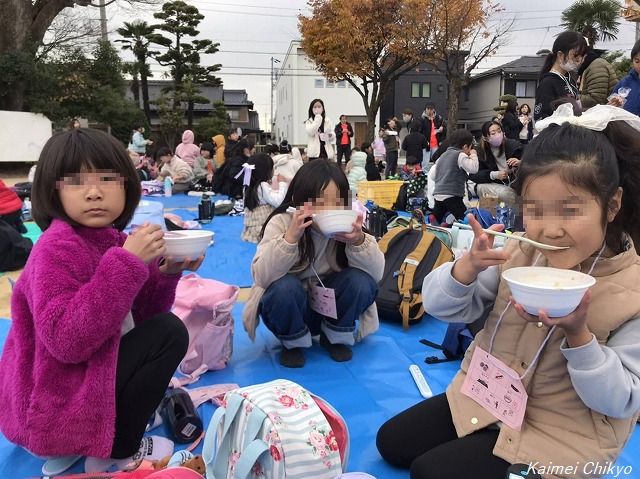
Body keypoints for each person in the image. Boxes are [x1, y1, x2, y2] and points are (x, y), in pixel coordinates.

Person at [377, 104, 640, 478]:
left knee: (429, 472)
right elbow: (439, 306)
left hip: (560, 436)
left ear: (611, 205)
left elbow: (623, 399)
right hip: (484, 395)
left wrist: (579, 336)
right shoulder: (518, 254)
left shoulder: (632, 291)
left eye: (569, 211)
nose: (550, 230)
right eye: (535, 210)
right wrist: (465, 269)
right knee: (391, 442)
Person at [0, 128, 203, 475]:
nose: (94, 192)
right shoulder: (54, 248)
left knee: (162, 330)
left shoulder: (113, 240)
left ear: (127, 186)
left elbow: (144, 317)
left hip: (80, 388)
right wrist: (127, 264)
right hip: (55, 405)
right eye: (77, 181)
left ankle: (93, 444)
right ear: (54, 189)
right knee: (170, 333)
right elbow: (67, 341)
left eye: (108, 179)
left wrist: (167, 273)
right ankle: (118, 450)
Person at [242, 160, 384, 368]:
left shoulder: (350, 225)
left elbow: (376, 275)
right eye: (319, 201)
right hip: (290, 311)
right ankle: (292, 343)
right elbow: (261, 277)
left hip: (331, 309)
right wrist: (290, 238)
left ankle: (334, 336)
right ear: (300, 199)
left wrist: (358, 241)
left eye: (336, 202)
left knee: (361, 281)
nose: (328, 210)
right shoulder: (282, 222)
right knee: (284, 288)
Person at [534, 31, 587, 121]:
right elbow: (541, 119)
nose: (579, 60)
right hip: (558, 134)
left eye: (582, 56)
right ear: (560, 55)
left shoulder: (570, 80)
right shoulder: (548, 83)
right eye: (575, 55)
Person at [469, 120, 522, 206]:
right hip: (494, 185)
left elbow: (531, 161)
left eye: (499, 131)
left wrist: (520, 162)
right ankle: (490, 216)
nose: (497, 135)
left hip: (514, 184)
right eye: (493, 133)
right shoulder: (480, 151)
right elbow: (473, 175)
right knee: (505, 193)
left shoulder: (514, 146)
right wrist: (493, 175)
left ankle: (516, 214)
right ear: (485, 138)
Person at [431, 129, 478, 223]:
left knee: (438, 215)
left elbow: (434, 175)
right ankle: (464, 229)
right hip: (453, 196)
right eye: (470, 148)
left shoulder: (442, 156)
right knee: (465, 218)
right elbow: (474, 168)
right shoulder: (460, 155)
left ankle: (433, 220)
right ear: (465, 146)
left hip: (438, 194)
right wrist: (473, 155)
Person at [241, 153, 288, 244]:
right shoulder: (262, 186)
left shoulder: (248, 186)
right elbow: (279, 201)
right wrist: (283, 184)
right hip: (263, 228)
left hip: (252, 227)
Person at [610, 39, 640, 116]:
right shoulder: (625, 83)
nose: (639, 65)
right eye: (637, 61)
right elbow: (611, 107)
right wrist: (613, 105)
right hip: (626, 126)